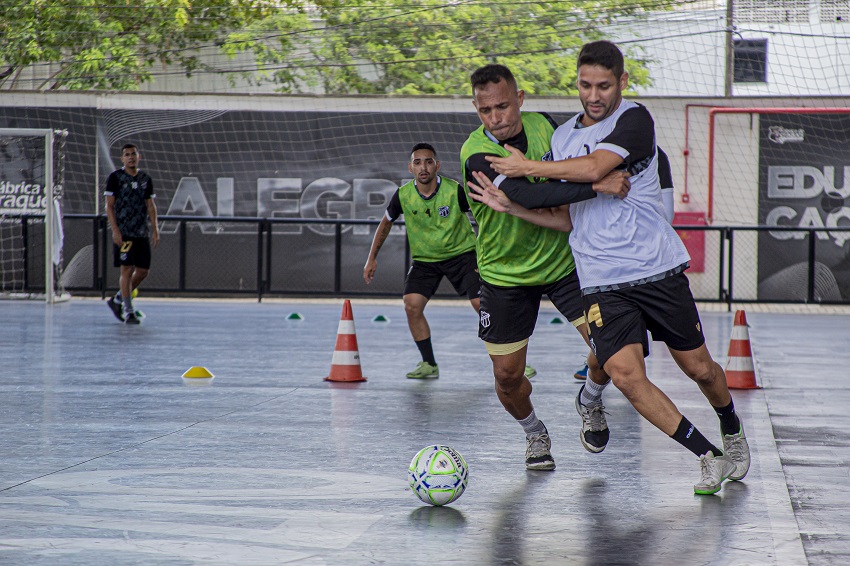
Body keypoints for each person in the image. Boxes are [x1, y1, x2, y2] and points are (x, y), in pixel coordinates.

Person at [469, 40, 750, 494]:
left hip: (656, 269)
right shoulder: (561, 139)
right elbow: (561, 209)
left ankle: (730, 428)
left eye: (603, 85)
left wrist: (529, 170)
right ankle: (707, 455)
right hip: (601, 279)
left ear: (621, 82)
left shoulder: (635, 119)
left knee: (700, 369)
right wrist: (516, 203)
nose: (594, 95)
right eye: (585, 85)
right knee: (627, 376)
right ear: (575, 83)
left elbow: (597, 164)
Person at [461, 64, 630, 470]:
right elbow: (526, 196)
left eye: (502, 106)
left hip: (565, 262)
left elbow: (569, 170)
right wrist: (595, 184)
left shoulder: (547, 129)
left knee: (611, 350)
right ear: (476, 109)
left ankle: (589, 399)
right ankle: (535, 431)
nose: (495, 118)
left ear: (519, 99)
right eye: (485, 111)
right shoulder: (475, 154)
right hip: (505, 274)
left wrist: (582, 178)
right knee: (506, 377)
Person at [363, 143, 482, 379]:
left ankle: (513, 360)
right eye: (417, 162)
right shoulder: (403, 195)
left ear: (437, 165)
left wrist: (485, 255)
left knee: (484, 305)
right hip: (425, 260)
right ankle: (429, 364)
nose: (423, 167)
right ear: (410, 168)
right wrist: (371, 258)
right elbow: (385, 223)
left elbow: (485, 218)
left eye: (428, 161)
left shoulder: (455, 191)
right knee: (412, 305)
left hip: (462, 255)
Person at [104, 143, 159, 324]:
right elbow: (109, 206)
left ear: (139, 156)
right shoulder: (115, 178)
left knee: (143, 271)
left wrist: (155, 229)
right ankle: (128, 311)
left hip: (141, 232)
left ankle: (118, 299)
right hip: (124, 232)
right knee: (127, 269)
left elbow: (150, 206)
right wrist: (116, 231)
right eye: (127, 155)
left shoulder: (145, 179)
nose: (131, 157)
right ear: (122, 159)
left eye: (133, 154)